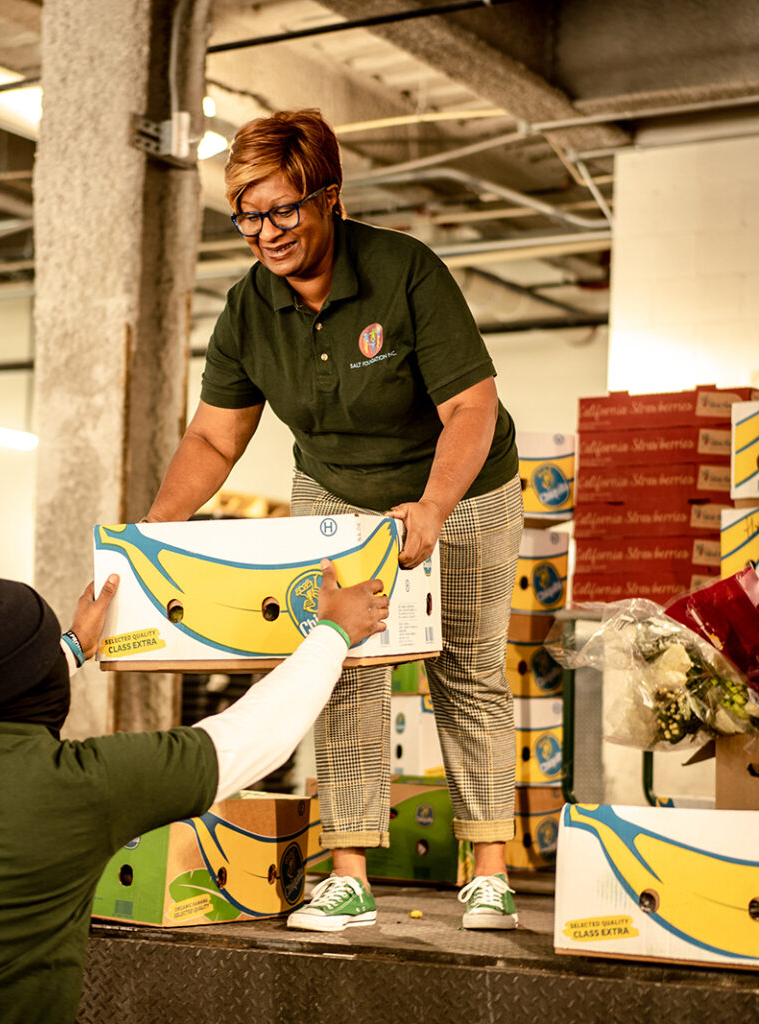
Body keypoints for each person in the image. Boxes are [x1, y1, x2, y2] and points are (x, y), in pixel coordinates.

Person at [145, 109, 524, 932]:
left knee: (466, 667)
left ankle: (489, 869)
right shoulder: (248, 309)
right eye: (247, 214)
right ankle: (348, 874)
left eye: (283, 209)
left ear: (330, 198)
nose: (265, 232)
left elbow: (471, 406)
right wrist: (153, 533)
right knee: (344, 668)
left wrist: (432, 507)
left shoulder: (404, 271)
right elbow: (216, 435)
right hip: (335, 493)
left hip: (461, 485)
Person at [0, 561, 388, 1024]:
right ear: (37, 677)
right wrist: (333, 633)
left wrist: (69, 645)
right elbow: (252, 740)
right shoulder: (77, 786)